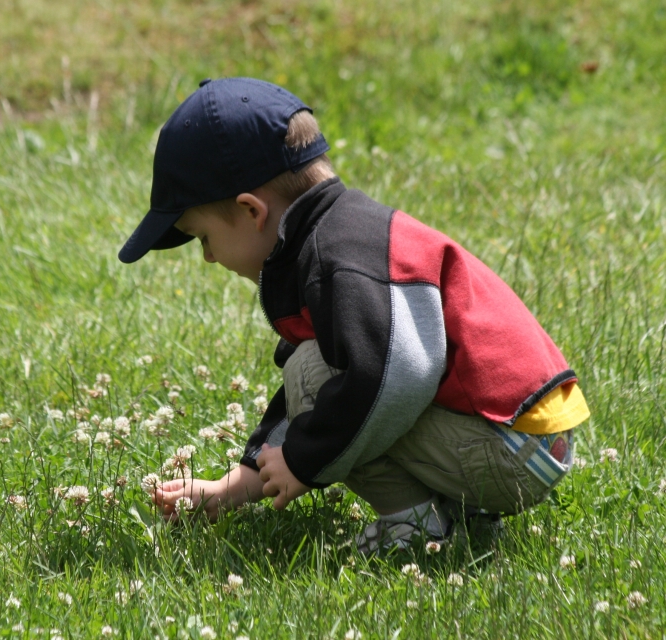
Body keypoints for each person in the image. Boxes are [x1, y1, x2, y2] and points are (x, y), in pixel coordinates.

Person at [118, 77, 590, 553]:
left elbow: (396, 373)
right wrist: (234, 486)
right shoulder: (337, 235)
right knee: (323, 374)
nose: (209, 258)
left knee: (323, 378)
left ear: (250, 210)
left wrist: (305, 461)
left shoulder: (340, 257)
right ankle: (448, 515)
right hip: (523, 439)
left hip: (511, 450)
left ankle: (414, 528)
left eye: (203, 238)